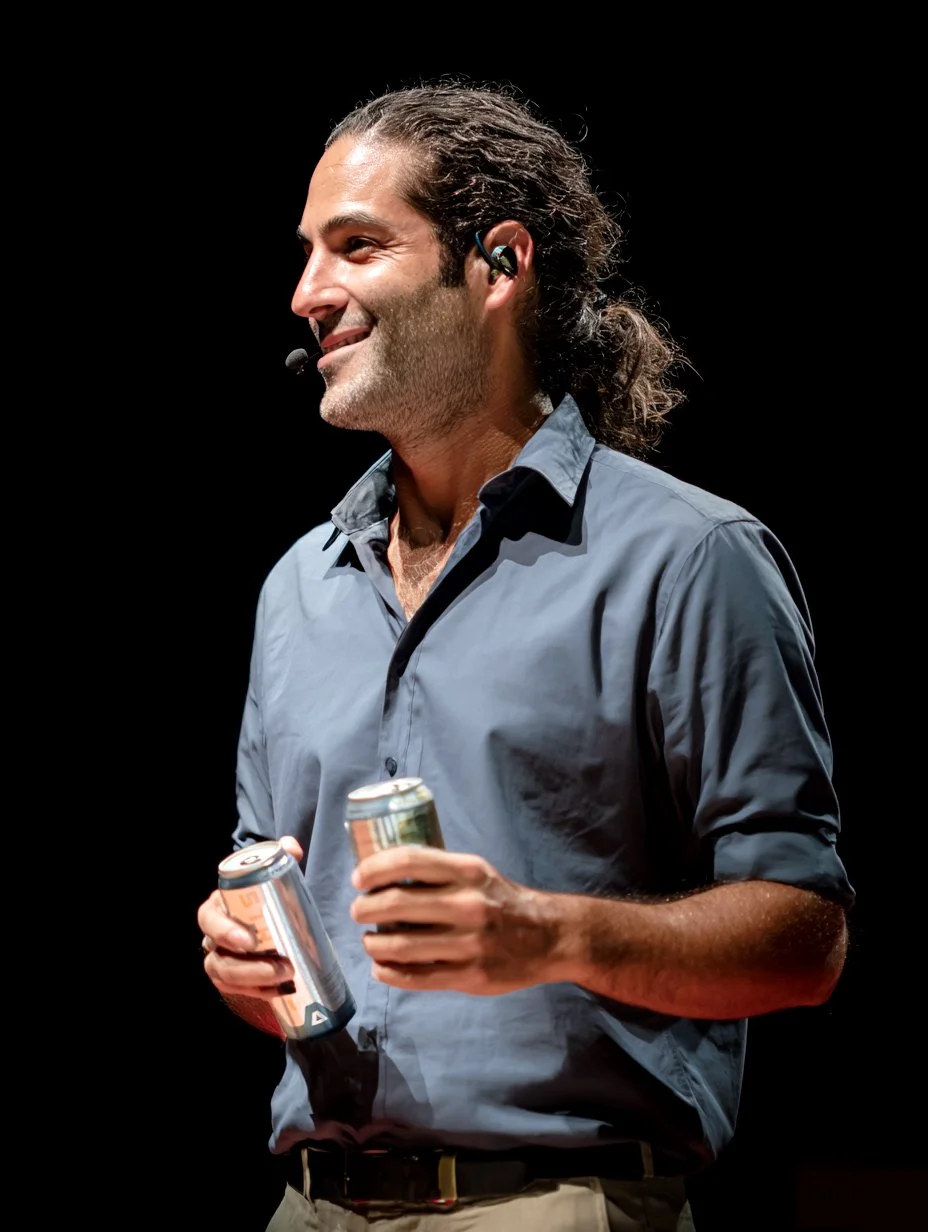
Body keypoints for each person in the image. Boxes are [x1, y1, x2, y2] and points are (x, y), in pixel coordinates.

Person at [197, 81, 854, 1231]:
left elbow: (802, 933)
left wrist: (545, 932)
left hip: (554, 1200)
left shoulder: (687, 557)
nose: (308, 294)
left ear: (496, 264)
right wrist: (245, 957)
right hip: (312, 1202)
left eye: (357, 245)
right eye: (307, 253)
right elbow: (278, 900)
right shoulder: (298, 587)